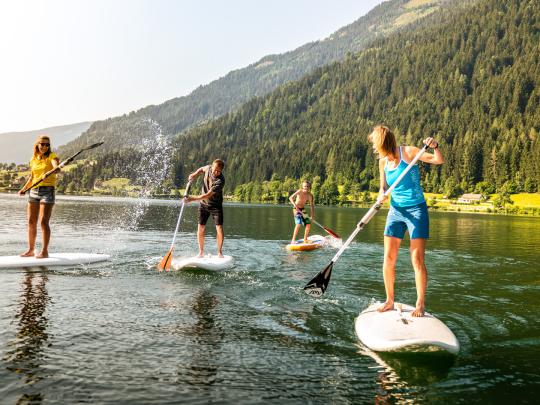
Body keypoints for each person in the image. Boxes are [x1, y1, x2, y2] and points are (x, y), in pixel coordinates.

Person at [368, 125, 444, 317]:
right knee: (388, 258)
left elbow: (438, 160)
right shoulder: (382, 161)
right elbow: (383, 187)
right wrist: (381, 196)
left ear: (383, 143)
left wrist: (435, 146)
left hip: (417, 210)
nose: (374, 149)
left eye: (376, 145)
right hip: (396, 211)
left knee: (416, 259)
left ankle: (420, 304)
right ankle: (389, 300)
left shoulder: (409, 152)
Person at [18, 135, 61, 258]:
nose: (45, 147)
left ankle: (45, 251)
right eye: (42, 144)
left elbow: (57, 168)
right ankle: (31, 250)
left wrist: (50, 172)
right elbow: (32, 177)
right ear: (37, 144)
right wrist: (24, 189)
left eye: (47, 145)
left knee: (43, 222)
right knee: (31, 221)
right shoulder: (33, 159)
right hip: (33, 191)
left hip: (48, 191)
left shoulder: (52, 156)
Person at [186, 159, 225, 258]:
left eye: (219, 171)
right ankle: (201, 252)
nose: (216, 172)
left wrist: (192, 199)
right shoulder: (207, 168)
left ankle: (219, 252)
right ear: (212, 166)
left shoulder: (220, 181)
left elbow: (207, 195)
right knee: (201, 227)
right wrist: (194, 175)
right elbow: (201, 170)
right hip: (203, 205)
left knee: (219, 228)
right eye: (215, 169)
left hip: (215, 206)